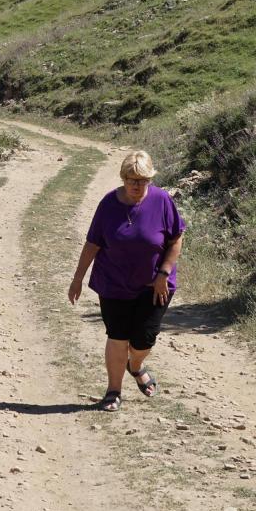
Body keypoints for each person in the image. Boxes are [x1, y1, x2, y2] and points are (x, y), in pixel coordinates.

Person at [68, 150, 185, 411]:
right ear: (123, 178)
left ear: (150, 179)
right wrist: (77, 278)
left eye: (142, 180)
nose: (136, 185)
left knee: (144, 339)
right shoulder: (109, 204)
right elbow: (93, 244)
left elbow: (176, 238)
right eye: (131, 180)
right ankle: (113, 390)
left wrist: (163, 273)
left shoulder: (162, 200)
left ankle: (135, 365)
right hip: (114, 283)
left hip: (154, 284)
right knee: (118, 336)